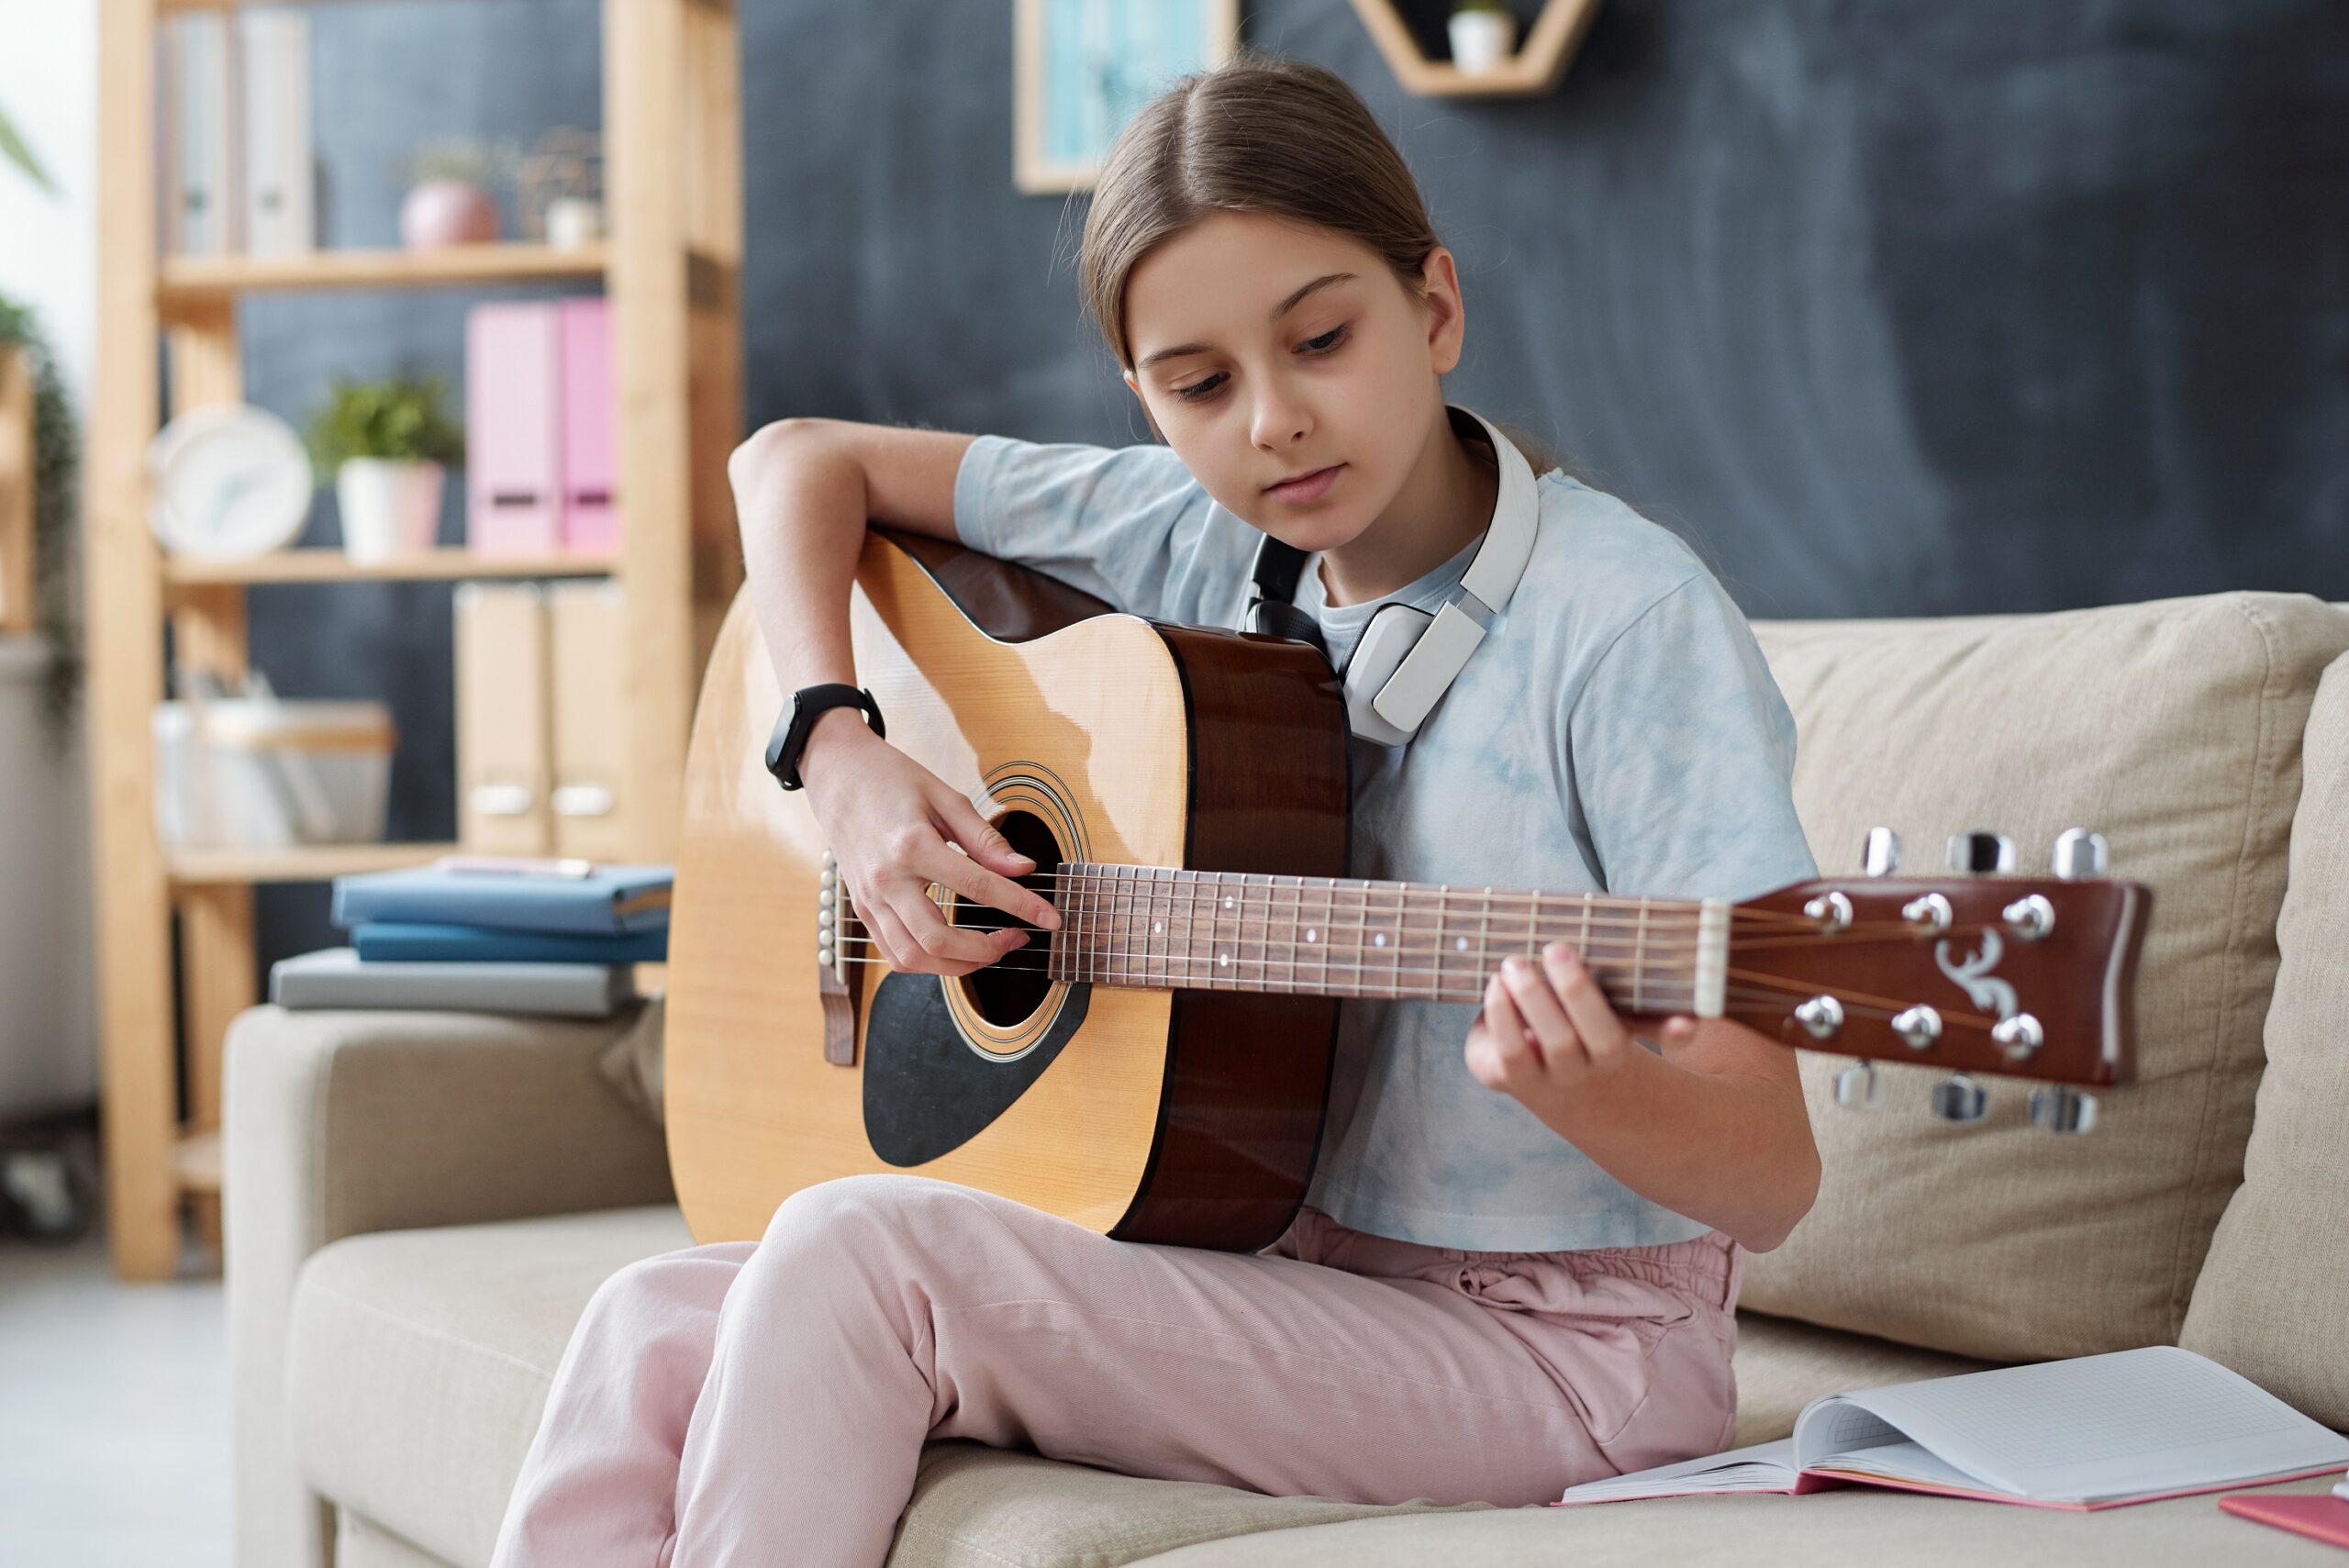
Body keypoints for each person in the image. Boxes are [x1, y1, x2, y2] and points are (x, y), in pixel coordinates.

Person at [489, 50, 1822, 1568]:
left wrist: (1593, 1088)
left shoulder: (1627, 621)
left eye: (1322, 339)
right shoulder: (1191, 534)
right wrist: (837, 748)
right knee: (646, 1317)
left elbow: (1773, 1176)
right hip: (1277, 1254)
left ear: (1434, 309)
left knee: (861, 1253)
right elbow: (795, 462)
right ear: (1144, 395)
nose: (1272, 423)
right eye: (1199, 385)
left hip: (1566, 1349)